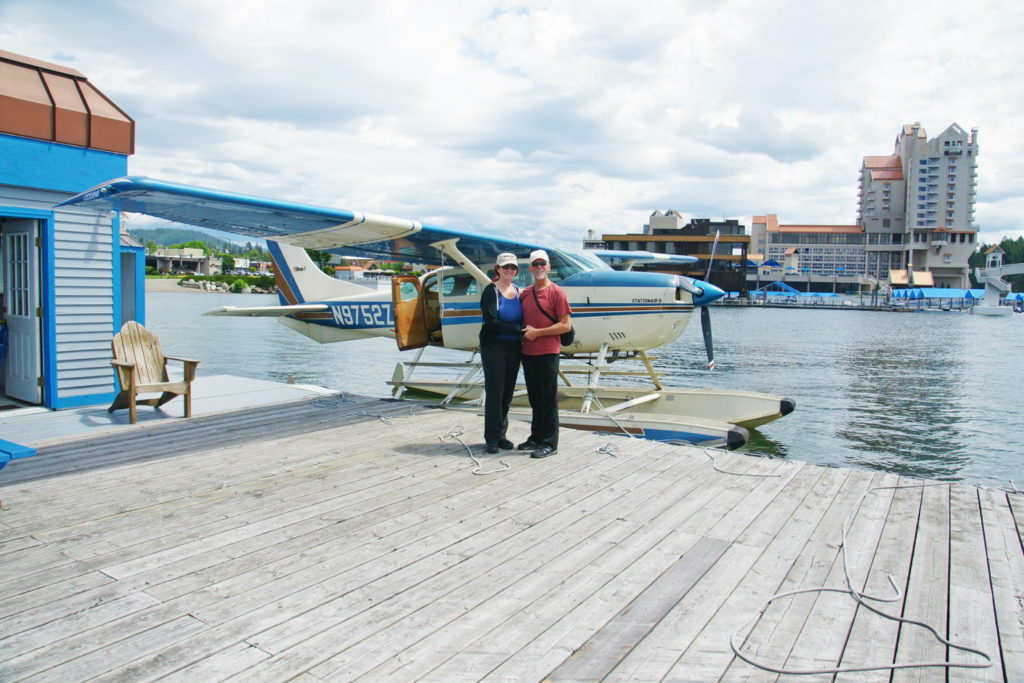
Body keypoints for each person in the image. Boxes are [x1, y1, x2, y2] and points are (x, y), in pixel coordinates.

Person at [518, 249, 572, 458]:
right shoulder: (525, 293)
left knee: (548, 398)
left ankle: (550, 443)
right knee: (535, 397)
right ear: (530, 268)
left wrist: (537, 333)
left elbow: (566, 326)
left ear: (548, 267)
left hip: (548, 352)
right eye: (536, 264)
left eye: (543, 264)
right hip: (528, 352)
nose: (539, 267)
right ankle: (536, 437)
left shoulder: (557, 292)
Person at [479, 252, 524, 454]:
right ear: (498, 268)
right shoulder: (491, 291)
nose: (509, 271)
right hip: (494, 346)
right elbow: (492, 321)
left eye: (513, 268)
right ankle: (491, 438)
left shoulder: (518, 291)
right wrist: (517, 330)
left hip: (514, 347)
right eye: (505, 267)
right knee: (495, 392)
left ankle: (501, 435)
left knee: (507, 393)